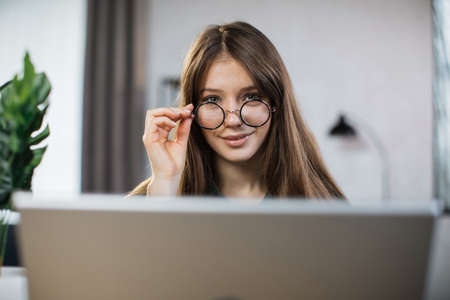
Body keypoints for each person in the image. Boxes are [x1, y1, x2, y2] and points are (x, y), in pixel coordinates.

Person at [129, 21, 345, 200]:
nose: (232, 120)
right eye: (212, 99)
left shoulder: (324, 202)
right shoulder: (147, 202)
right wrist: (165, 185)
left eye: (251, 97)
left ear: (276, 103)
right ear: (191, 110)